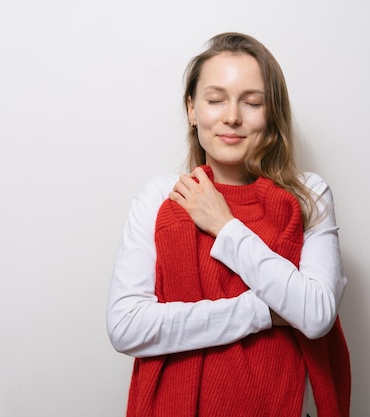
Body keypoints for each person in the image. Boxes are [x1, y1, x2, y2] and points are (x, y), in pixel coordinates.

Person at [106, 32, 351, 417]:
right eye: (216, 100)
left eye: (252, 102)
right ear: (191, 109)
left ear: (271, 113)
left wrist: (226, 226)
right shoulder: (159, 198)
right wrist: (263, 312)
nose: (232, 116)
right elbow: (127, 326)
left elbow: (316, 314)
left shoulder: (308, 195)